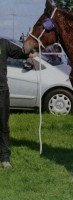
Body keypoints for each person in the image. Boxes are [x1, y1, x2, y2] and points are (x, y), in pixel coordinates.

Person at [0, 37, 37, 169]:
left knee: (3, 124)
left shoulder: (3, 44)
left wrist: (33, 50)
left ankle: (5, 157)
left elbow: (21, 52)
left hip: (1, 91)